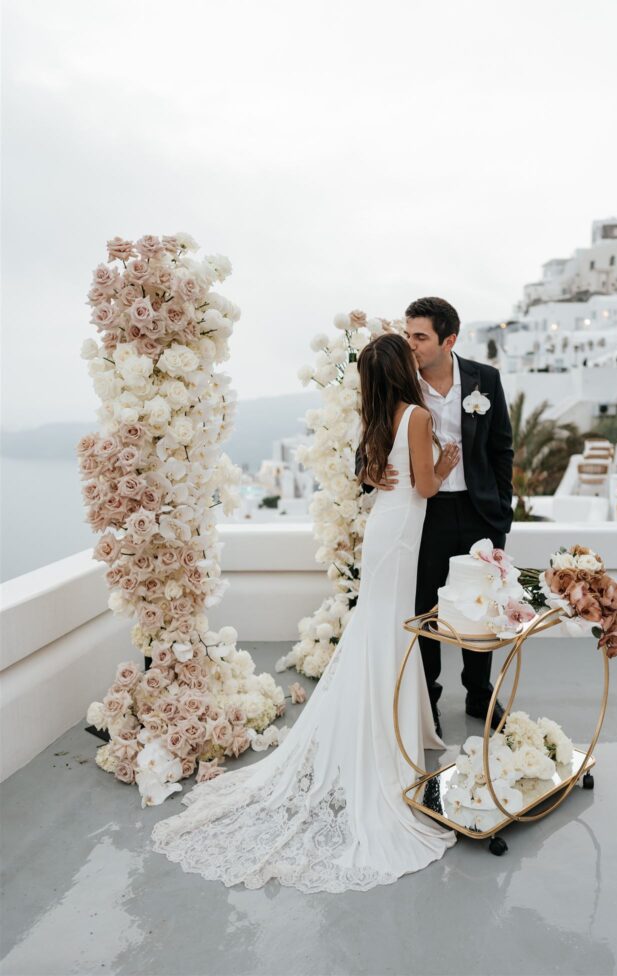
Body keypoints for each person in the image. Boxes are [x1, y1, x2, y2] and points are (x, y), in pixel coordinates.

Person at [151, 332, 461, 893]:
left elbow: (371, 478)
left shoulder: (377, 419)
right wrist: (446, 460)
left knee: (381, 626)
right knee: (390, 626)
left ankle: (387, 728)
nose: (418, 359)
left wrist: (390, 477)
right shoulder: (414, 415)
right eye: (411, 355)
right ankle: (387, 740)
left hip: (385, 531)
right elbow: (425, 486)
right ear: (400, 368)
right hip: (400, 536)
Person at [356, 298, 514, 737]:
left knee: (482, 607)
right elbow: (367, 445)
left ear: (449, 340)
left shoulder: (487, 380)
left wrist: (503, 511)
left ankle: (480, 693)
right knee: (426, 607)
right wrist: (368, 472)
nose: (412, 344)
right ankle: (427, 700)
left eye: (421, 336)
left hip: (481, 512)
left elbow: (502, 448)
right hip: (424, 514)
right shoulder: (402, 386)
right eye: (408, 335)